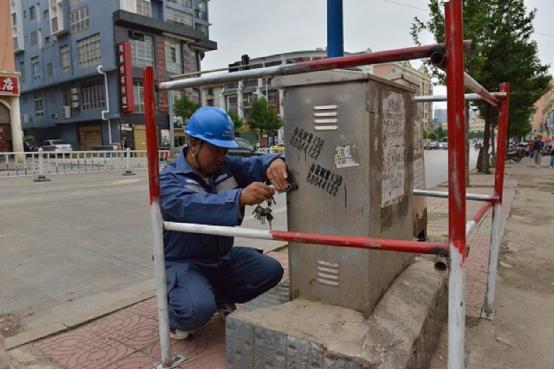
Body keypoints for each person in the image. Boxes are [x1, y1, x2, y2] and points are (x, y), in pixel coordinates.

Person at [159, 107, 287, 340]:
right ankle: (175, 310)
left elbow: (255, 164)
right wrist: (238, 197)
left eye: (225, 151)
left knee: (270, 271)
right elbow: (193, 205)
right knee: (195, 311)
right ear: (194, 144)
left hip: (220, 259)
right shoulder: (169, 179)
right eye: (215, 150)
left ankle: (217, 295)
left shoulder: (225, 166)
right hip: (184, 262)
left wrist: (275, 161)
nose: (221, 157)